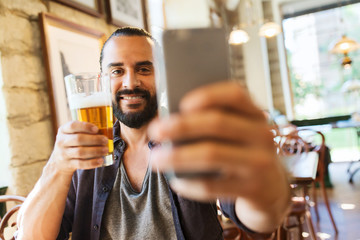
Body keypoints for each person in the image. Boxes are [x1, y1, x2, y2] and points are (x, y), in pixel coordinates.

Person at [16, 27, 290, 240]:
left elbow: (261, 219)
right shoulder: (83, 155)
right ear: (102, 80)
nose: (130, 82)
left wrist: (263, 182)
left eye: (144, 69)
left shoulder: (193, 138)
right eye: (117, 71)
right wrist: (56, 167)